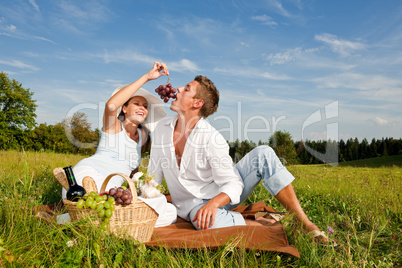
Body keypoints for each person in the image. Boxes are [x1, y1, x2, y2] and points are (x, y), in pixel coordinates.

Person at [148, 65, 336, 245]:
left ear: (197, 103)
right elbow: (153, 175)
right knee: (202, 222)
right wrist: (143, 200)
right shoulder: (162, 129)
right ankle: (271, 222)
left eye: (186, 89)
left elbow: (234, 183)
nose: (178, 89)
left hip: (220, 195)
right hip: (191, 205)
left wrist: (214, 204)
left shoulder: (212, 138)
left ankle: (305, 223)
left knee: (264, 153)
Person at [61, 62, 176, 227]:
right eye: (136, 103)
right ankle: (77, 217)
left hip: (113, 190)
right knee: (103, 207)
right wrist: (147, 77)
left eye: (145, 106)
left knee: (169, 210)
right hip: (87, 178)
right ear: (124, 108)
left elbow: (132, 175)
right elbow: (110, 106)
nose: (142, 108)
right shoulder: (114, 128)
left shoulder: (144, 137)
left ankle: (80, 219)